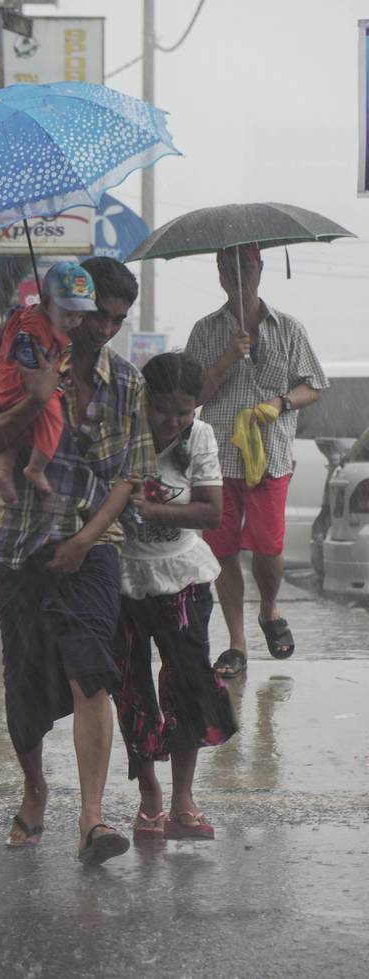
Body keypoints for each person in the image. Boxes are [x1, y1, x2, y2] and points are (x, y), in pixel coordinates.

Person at [0, 257, 156, 864]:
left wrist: (84, 541)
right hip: (19, 543)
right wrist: (36, 401)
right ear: (73, 303)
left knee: (93, 672)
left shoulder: (128, 383)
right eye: (97, 314)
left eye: (117, 320)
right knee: (23, 685)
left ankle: (93, 820)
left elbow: (131, 478)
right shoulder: (17, 356)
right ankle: (34, 791)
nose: (104, 328)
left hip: (92, 545)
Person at [186, 244, 328, 678]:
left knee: (268, 547)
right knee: (223, 551)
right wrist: (227, 357)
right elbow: (191, 398)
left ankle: (269, 611)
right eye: (228, 268)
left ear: (260, 269)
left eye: (245, 267)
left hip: (271, 457)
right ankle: (237, 643)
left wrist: (281, 402)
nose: (238, 276)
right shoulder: (205, 331)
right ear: (219, 274)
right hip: (218, 458)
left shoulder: (288, 328)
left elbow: (314, 386)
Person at [113, 351, 237, 841]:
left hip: (184, 577)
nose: (174, 421)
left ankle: (185, 798)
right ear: (145, 401)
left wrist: (146, 508)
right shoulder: (123, 434)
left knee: (187, 683)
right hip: (121, 577)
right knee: (130, 687)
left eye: (185, 412)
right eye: (164, 410)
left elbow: (211, 513)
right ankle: (150, 799)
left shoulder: (200, 437)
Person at [0, 261, 98, 504]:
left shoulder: (28, 319)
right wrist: (41, 384)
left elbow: (1, 330)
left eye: (79, 316)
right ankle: (35, 468)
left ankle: (3, 471)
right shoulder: (33, 329)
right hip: (25, 389)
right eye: (68, 313)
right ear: (47, 303)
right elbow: (30, 364)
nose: (73, 321)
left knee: (14, 436)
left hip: (5, 393)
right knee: (54, 420)